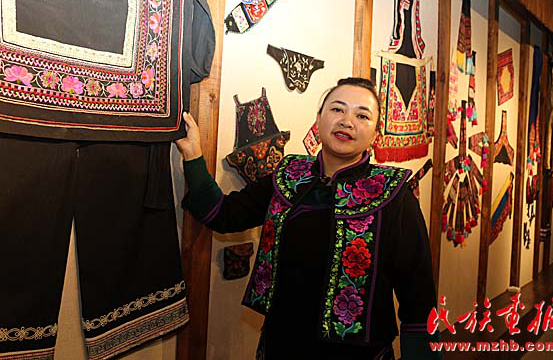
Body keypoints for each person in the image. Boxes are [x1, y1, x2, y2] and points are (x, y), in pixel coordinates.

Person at [175, 78, 440, 359]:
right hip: (282, 344)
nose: (347, 121)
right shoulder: (288, 175)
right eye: (337, 109)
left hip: (360, 354)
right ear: (319, 118)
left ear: (375, 133)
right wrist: (193, 155)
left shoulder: (393, 193)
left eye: (362, 115)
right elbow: (223, 214)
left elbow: (419, 296)